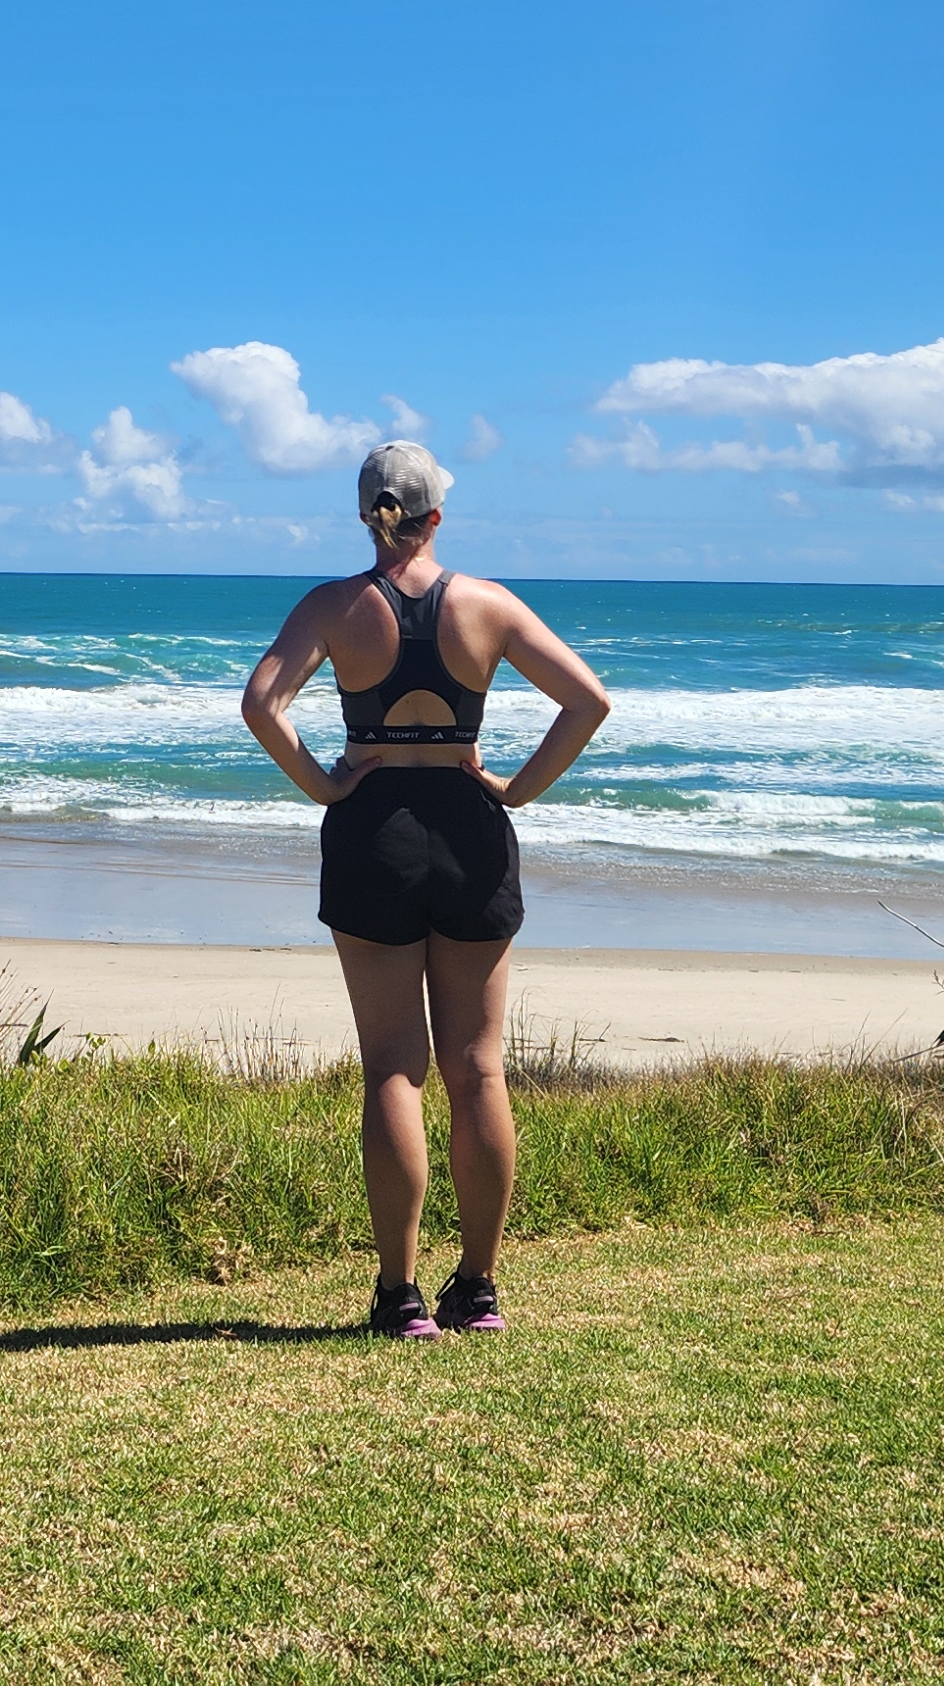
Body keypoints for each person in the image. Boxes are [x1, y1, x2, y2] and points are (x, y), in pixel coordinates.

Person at [238, 436, 613, 1339]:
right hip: (469, 827)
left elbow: (262, 705)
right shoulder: (485, 604)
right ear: (436, 515)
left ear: (367, 515)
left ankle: (401, 1297)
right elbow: (589, 702)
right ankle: (478, 1289)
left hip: (375, 832)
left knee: (393, 1068)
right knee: (479, 1068)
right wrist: (516, 790)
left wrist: (326, 784)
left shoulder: (333, 607)